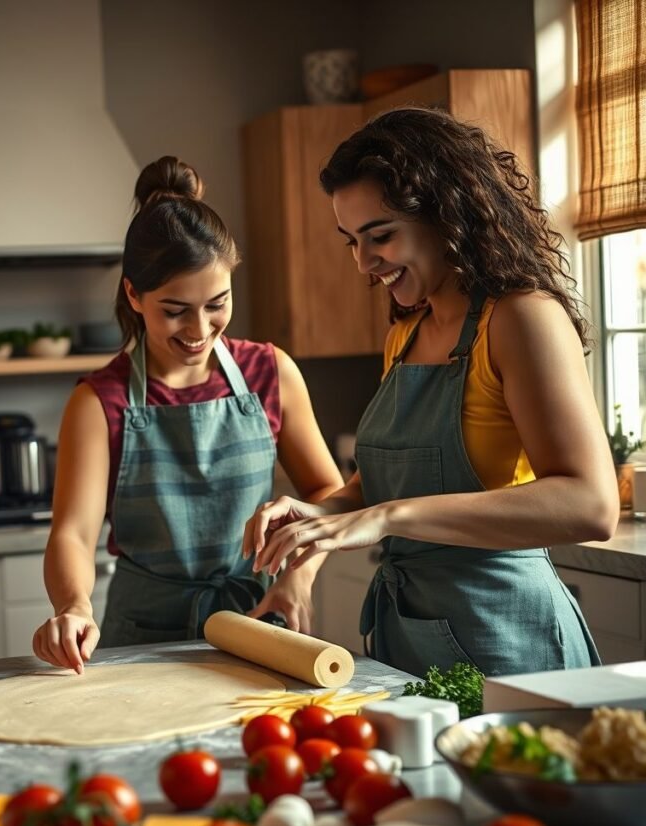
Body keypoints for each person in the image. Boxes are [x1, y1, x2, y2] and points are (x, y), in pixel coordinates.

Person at [243, 107, 619, 680]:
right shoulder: (405, 334)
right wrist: (321, 513)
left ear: (448, 214)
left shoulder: (522, 320)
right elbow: (388, 486)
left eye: (381, 236)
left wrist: (389, 516)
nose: (364, 263)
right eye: (351, 242)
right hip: (408, 635)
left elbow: (591, 504)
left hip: (510, 638)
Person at [33, 155, 343, 673]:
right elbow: (73, 533)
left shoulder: (270, 371)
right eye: (175, 310)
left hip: (256, 627)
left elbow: (328, 494)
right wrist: (73, 606)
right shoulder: (98, 401)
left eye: (217, 304)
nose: (199, 329)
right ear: (134, 294)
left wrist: (299, 576)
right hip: (139, 641)